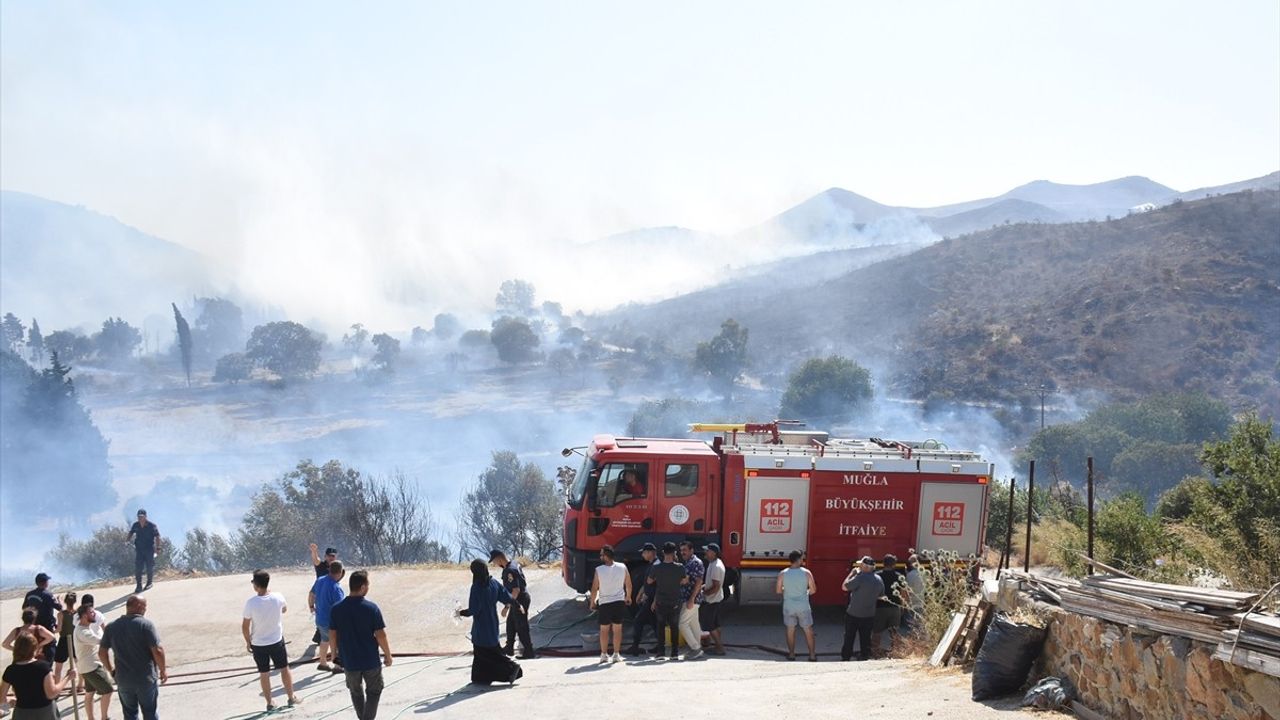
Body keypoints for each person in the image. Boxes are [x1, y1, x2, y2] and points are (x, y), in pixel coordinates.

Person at [329, 571, 392, 720]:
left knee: (355, 692)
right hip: (370, 660)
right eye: (368, 584)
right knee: (374, 691)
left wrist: (333, 654)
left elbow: (332, 634)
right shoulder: (371, 608)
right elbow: (380, 635)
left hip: (349, 660)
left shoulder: (336, 609)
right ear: (363, 587)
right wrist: (388, 655)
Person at [99, 594, 167, 720]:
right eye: (145, 606)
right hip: (145, 679)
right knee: (150, 712)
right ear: (139, 606)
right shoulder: (146, 625)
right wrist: (163, 670)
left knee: (130, 713)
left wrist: (111, 670)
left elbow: (102, 653)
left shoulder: (111, 627)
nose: (146, 609)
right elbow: (157, 650)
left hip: (123, 680)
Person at [242, 570, 300, 712]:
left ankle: (269, 703)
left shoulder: (251, 603)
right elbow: (285, 609)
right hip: (276, 641)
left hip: (259, 644)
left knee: (264, 673)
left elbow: (245, 626)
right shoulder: (278, 597)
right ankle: (291, 697)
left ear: (255, 585)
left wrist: (248, 641)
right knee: (284, 669)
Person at [458, 560, 522, 686]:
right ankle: (480, 678)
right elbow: (507, 596)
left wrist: (461, 613)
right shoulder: (493, 583)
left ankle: (512, 669)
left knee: (489, 655)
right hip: (492, 624)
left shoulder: (476, 587)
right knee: (486, 655)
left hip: (481, 627)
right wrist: (517, 604)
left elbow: (474, 609)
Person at [0, 631, 72, 720]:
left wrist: (12, 702)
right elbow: (51, 693)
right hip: (45, 712)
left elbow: (2, 699)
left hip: (22, 713)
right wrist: (68, 677)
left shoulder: (10, 670)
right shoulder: (43, 667)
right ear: (34, 649)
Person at [588, 545, 632, 663]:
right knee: (617, 629)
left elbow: (594, 588)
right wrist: (628, 597)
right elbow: (628, 583)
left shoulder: (599, 570)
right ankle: (616, 654)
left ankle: (603, 655)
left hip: (605, 603)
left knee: (604, 630)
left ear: (606, 556)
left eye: (602, 554)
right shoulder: (622, 567)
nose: (600, 556)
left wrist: (592, 602)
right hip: (618, 602)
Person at [489, 550, 535, 659]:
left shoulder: (510, 570)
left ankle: (529, 651)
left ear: (499, 558)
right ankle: (509, 647)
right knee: (510, 623)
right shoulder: (513, 564)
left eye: (494, 561)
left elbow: (516, 590)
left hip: (520, 599)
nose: (495, 564)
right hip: (518, 598)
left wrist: (507, 606)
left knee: (521, 626)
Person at [646, 542, 687, 660]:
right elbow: (684, 581)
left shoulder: (656, 567)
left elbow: (649, 581)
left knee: (661, 627)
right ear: (675, 553)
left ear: (663, 552)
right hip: (675, 601)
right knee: (674, 627)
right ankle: (674, 653)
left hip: (661, 601)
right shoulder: (680, 567)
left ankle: (661, 653)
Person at [72, 605, 113, 720]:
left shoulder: (84, 628)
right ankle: (104, 718)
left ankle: (91, 718)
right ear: (85, 615)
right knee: (108, 690)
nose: (94, 614)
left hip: (86, 667)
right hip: (92, 667)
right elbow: (100, 641)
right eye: (91, 612)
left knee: (90, 693)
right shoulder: (83, 632)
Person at [776, 551, 818, 662]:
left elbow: (778, 590)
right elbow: (813, 590)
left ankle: (791, 654)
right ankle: (812, 655)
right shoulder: (807, 573)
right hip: (803, 606)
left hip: (789, 606)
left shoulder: (783, 573)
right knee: (808, 629)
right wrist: (805, 591)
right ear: (798, 560)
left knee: (790, 630)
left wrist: (787, 589)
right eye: (802, 559)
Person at [841, 557, 883, 661]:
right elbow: (881, 595)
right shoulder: (879, 579)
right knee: (866, 637)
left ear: (864, 566)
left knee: (849, 636)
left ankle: (846, 656)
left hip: (853, 613)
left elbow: (844, 587)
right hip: (869, 614)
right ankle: (865, 655)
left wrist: (852, 574)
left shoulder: (860, 577)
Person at [309, 561, 346, 672]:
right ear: (340, 573)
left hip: (320, 619)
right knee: (337, 643)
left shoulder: (320, 580)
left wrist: (311, 606)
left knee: (324, 641)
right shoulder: (336, 589)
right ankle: (338, 666)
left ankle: (323, 663)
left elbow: (311, 594)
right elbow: (340, 609)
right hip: (331, 622)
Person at [624, 543, 660, 656]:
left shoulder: (657, 565)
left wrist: (654, 600)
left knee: (638, 620)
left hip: (651, 599)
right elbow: (646, 583)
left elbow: (659, 585)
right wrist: (640, 593)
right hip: (648, 598)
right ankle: (660, 645)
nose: (642, 555)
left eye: (644, 552)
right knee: (654, 622)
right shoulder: (651, 564)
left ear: (650, 553)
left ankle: (635, 646)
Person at [21, 574, 60, 663]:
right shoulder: (48, 594)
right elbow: (59, 607)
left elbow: (24, 608)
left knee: (33, 650)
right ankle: (46, 671)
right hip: (46, 627)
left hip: (33, 627)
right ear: (45, 583)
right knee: (49, 649)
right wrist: (59, 601)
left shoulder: (29, 594)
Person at [677, 541, 705, 660]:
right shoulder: (689, 562)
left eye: (685, 550)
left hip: (691, 599)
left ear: (691, 550)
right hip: (690, 598)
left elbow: (699, 581)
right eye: (681, 550)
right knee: (694, 624)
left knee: (682, 624)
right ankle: (697, 648)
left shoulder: (695, 562)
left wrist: (691, 599)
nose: (682, 552)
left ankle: (695, 648)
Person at [873, 554, 904, 655]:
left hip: (880, 607)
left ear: (883, 563)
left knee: (877, 631)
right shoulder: (899, 576)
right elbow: (903, 593)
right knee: (895, 632)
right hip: (895, 607)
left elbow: (874, 592)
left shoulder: (877, 575)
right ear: (894, 565)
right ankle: (895, 652)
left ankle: (875, 651)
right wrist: (902, 606)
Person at [308, 544, 339, 643]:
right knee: (323, 618)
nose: (331, 558)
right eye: (329, 556)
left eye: (333, 556)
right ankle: (322, 638)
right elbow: (316, 560)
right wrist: (314, 551)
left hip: (331, 596)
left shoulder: (337, 568)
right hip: (320, 595)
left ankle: (320, 638)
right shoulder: (321, 566)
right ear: (325, 556)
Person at [700, 543, 726, 655]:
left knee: (709, 626)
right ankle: (717, 646)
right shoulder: (714, 563)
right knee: (716, 624)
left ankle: (720, 648)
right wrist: (703, 587)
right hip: (717, 599)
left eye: (707, 551)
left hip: (712, 600)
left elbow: (715, 586)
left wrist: (703, 593)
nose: (705, 553)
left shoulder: (716, 566)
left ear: (713, 553)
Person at [125, 510, 161, 593]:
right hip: (139, 550)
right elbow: (131, 532)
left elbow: (157, 536)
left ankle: (149, 582)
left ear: (145, 516)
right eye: (139, 516)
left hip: (149, 549)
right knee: (138, 568)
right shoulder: (136, 525)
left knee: (149, 567)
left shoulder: (152, 526)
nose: (140, 518)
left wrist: (158, 547)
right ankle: (139, 585)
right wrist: (127, 540)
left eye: (142, 516)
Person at [52, 592, 76, 684]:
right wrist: (59, 601)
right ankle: (80, 685)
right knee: (79, 664)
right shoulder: (77, 613)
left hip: (64, 640)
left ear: (65, 602)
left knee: (58, 667)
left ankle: (57, 685)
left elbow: (59, 629)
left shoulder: (61, 614)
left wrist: (52, 631)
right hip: (75, 639)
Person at [902, 554, 926, 633]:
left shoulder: (910, 575)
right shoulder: (924, 573)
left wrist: (903, 605)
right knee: (918, 627)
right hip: (920, 603)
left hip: (911, 605)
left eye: (910, 561)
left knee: (909, 627)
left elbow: (906, 591)